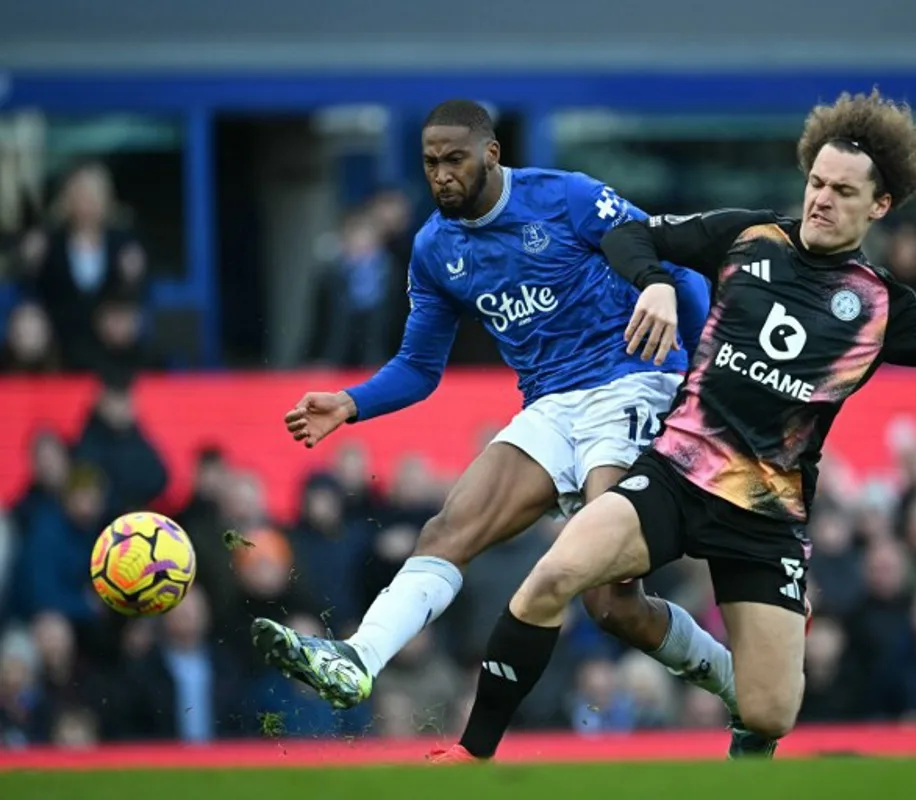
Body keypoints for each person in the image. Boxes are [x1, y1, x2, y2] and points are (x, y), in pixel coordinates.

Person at [429, 88, 916, 763]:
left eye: (842, 190)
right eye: (816, 181)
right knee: (553, 575)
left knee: (769, 711)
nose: (821, 199)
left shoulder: (887, 307)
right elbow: (627, 235)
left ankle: (753, 721)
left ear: (878, 206)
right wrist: (655, 284)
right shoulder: (749, 237)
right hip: (675, 474)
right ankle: (472, 757)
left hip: (765, 515)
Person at [250, 100, 743, 736]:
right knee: (448, 529)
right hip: (548, 405)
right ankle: (357, 658)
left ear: (491, 154)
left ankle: (737, 684)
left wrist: (696, 376)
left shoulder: (566, 197)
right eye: (430, 164)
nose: (441, 175)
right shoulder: (434, 248)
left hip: (633, 384)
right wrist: (351, 402)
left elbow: (672, 266)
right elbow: (419, 366)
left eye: (454, 160)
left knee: (610, 597)